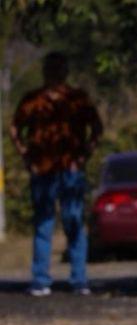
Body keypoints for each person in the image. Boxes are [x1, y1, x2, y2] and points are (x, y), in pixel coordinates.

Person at [9, 52, 103, 296]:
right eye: (51, 68)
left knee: (73, 220)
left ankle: (79, 279)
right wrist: (27, 156)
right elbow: (15, 128)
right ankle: (41, 280)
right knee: (43, 223)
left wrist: (82, 157)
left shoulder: (77, 99)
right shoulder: (33, 100)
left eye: (59, 68)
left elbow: (96, 128)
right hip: (42, 170)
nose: (55, 72)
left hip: (70, 170)